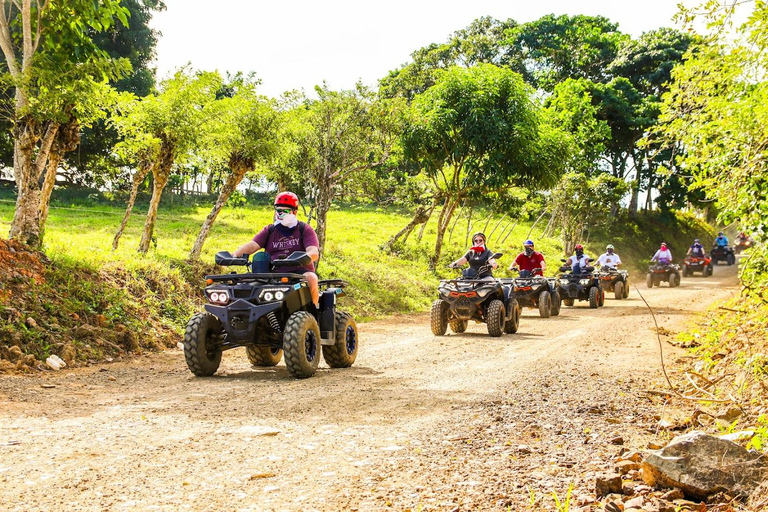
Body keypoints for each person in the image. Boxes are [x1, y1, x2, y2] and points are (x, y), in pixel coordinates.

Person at [232, 191, 321, 308]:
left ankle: (314, 309)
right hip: (273, 273)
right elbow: (252, 245)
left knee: (311, 278)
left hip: (299, 272)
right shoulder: (270, 230)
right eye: (279, 211)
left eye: (286, 211)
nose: (281, 214)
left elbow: (313, 251)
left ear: (295, 212)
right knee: (243, 282)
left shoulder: (304, 229)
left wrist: (305, 257)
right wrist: (234, 255)